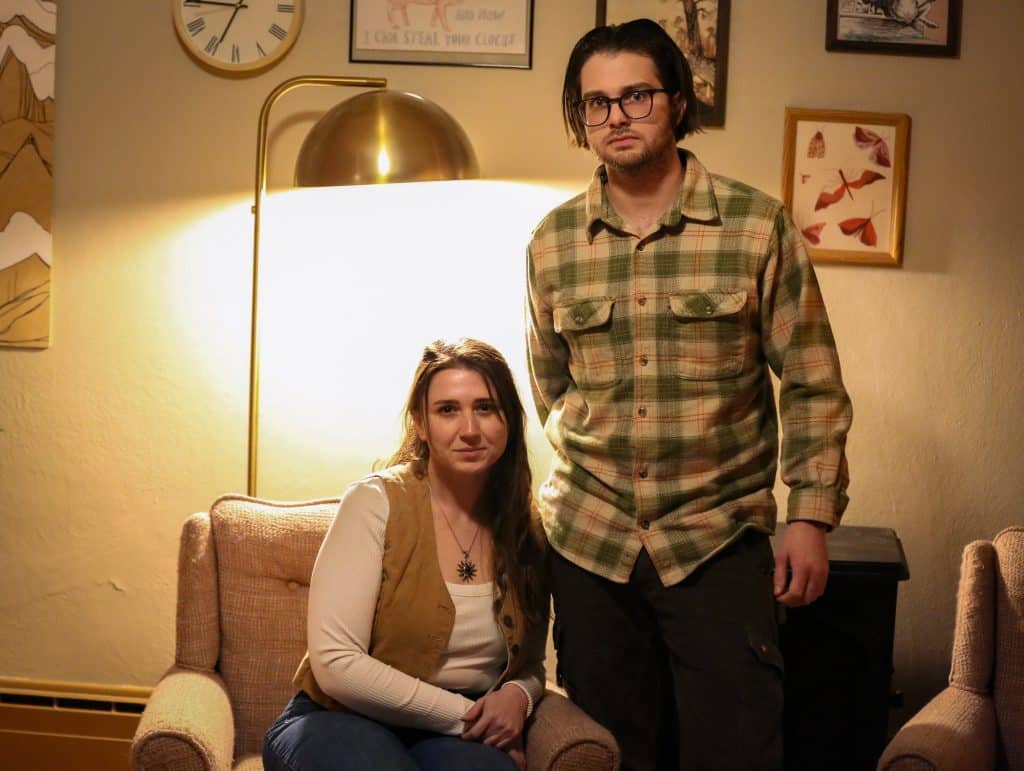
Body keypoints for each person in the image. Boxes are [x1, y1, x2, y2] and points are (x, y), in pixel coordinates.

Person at [525, 18, 853, 771]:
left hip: (718, 542)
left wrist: (810, 513)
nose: (616, 116)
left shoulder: (756, 226)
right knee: (602, 755)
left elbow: (811, 379)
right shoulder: (551, 243)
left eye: (635, 95)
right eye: (596, 103)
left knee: (735, 750)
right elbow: (550, 385)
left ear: (676, 99)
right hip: (589, 547)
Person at [263, 338, 548, 771]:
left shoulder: (527, 526)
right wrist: (470, 718)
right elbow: (337, 664)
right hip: (340, 718)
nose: (469, 428)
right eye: (447, 409)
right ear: (420, 421)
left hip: (458, 735)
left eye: (486, 407)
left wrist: (519, 696)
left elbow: (529, 664)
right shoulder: (374, 502)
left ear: (509, 419)